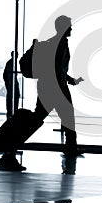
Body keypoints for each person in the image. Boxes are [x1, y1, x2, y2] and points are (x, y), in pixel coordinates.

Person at [34, 15, 84, 157]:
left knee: (37, 118)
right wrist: (65, 84)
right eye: (69, 25)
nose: (71, 28)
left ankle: (11, 145)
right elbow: (57, 68)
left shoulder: (55, 42)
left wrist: (70, 80)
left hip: (48, 87)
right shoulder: (60, 43)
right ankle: (70, 149)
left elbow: (56, 69)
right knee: (68, 118)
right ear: (62, 27)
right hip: (56, 88)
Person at [3, 51, 20, 118]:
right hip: (11, 84)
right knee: (14, 98)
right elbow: (8, 75)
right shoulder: (11, 63)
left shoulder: (11, 63)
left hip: (11, 84)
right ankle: (12, 113)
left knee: (13, 98)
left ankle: (11, 113)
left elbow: (5, 75)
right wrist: (9, 85)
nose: (17, 56)